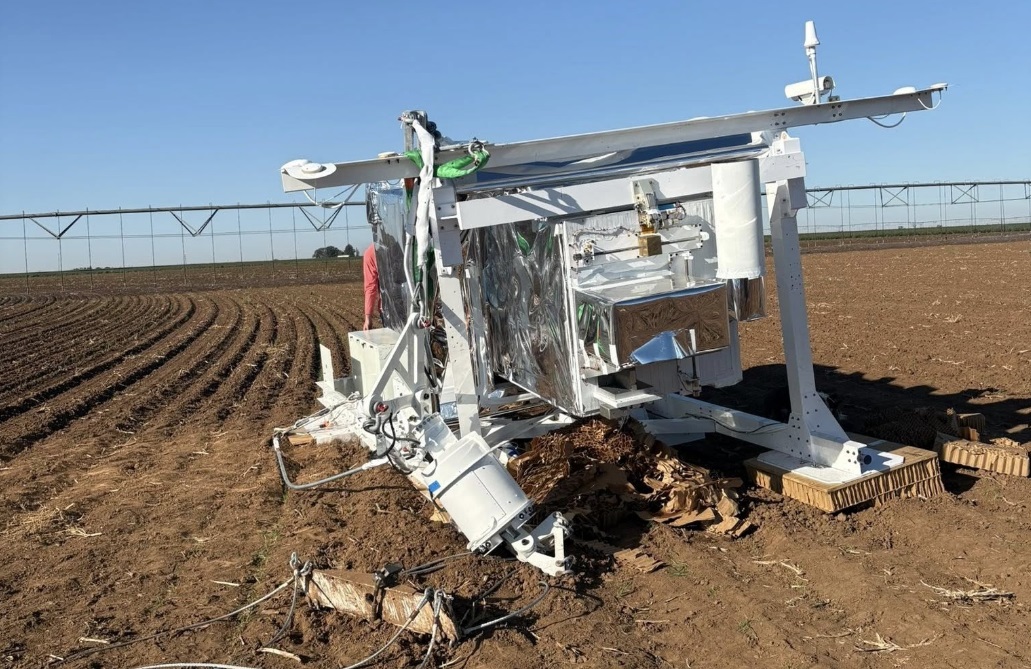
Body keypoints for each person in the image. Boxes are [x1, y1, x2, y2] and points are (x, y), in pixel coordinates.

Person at [363, 243, 380, 331]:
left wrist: (368, 318)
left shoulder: (371, 252)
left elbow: (370, 287)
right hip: (417, 304)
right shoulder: (409, 242)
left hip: (388, 310)